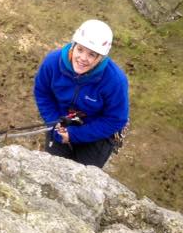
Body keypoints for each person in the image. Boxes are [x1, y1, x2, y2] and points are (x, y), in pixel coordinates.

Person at [33, 20, 129, 168]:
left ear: (101, 58)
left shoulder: (115, 81)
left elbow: (116, 119)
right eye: (80, 50)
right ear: (73, 46)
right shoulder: (52, 63)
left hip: (96, 132)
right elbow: (43, 93)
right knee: (54, 168)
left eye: (92, 54)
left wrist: (75, 135)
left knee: (85, 174)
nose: (83, 58)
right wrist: (54, 122)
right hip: (61, 123)